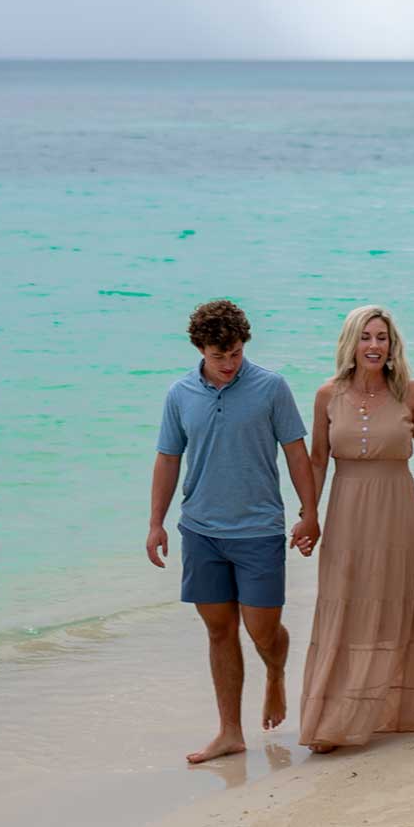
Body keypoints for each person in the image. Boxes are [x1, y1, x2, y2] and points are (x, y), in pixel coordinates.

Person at [147, 300, 322, 764]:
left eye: (236, 354)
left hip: (259, 528)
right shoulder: (179, 394)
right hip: (201, 530)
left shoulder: (270, 388)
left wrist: (309, 511)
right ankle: (229, 732)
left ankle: (276, 675)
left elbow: (295, 451)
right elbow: (168, 458)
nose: (229, 365)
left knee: (262, 629)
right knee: (220, 631)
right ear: (200, 349)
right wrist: (155, 523)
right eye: (219, 356)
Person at [298, 305, 414, 754]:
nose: (374, 345)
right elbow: (317, 462)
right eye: (366, 337)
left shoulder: (410, 393)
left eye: (382, 338)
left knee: (393, 602)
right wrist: (308, 515)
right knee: (347, 605)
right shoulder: (326, 396)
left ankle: (392, 710)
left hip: (398, 513)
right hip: (346, 514)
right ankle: (335, 718)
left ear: (392, 346)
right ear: (351, 344)